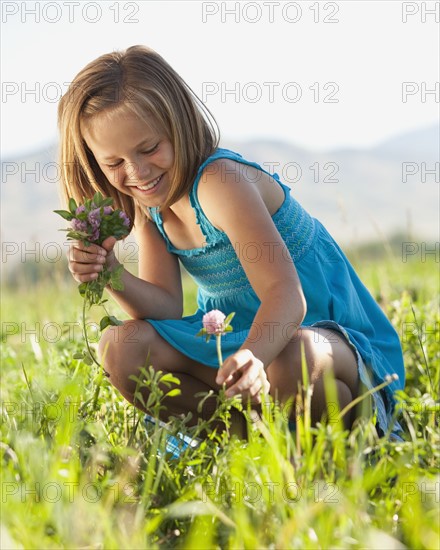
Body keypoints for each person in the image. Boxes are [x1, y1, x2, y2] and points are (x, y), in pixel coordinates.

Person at [58, 45, 405, 439]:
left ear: (180, 125)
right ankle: (248, 442)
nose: (137, 171)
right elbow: (166, 308)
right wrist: (111, 274)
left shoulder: (220, 182)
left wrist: (254, 358)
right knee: (121, 347)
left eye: (150, 148)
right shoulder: (153, 205)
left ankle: (344, 441)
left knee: (292, 360)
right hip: (242, 345)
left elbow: (287, 296)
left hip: (327, 341)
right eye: (114, 163)